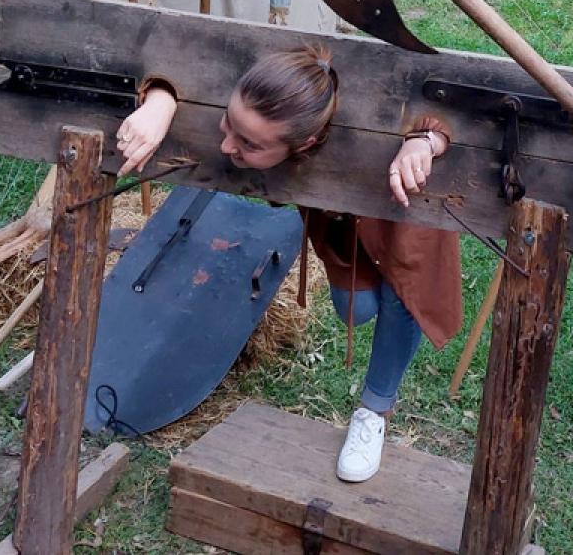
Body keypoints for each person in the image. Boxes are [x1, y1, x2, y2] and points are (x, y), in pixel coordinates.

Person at [115, 45, 460, 484]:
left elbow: (446, 116)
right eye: (228, 123)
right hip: (340, 224)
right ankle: (371, 287)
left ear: (308, 142)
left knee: (403, 297)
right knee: (356, 309)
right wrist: (161, 99)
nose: (226, 145)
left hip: (409, 214)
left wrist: (426, 141)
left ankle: (375, 408)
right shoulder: (281, 93)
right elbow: (176, 60)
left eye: (249, 144)